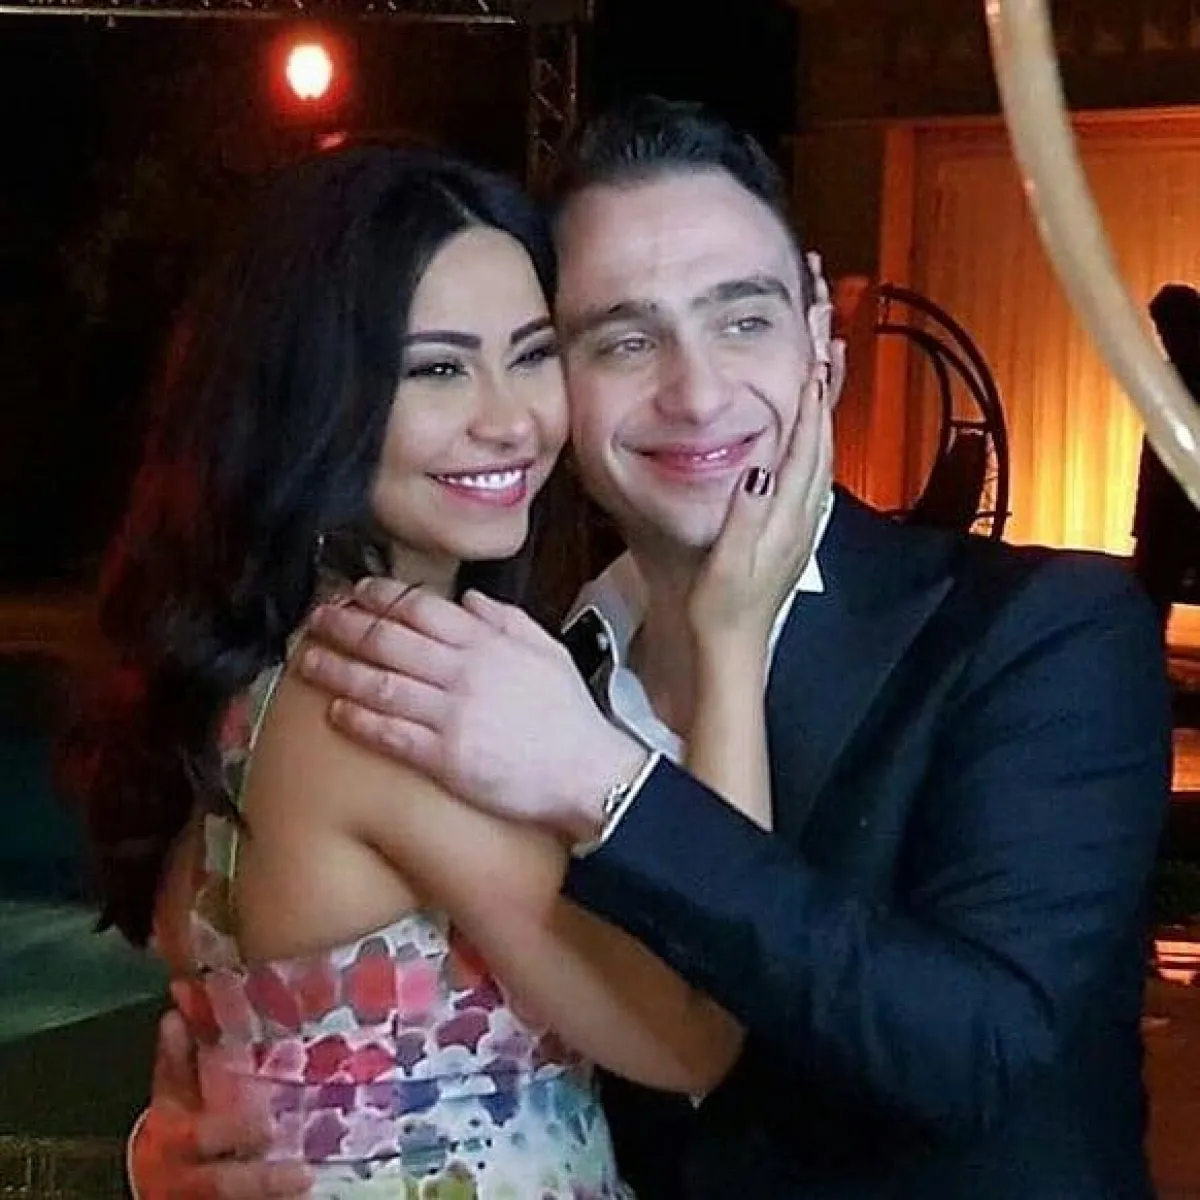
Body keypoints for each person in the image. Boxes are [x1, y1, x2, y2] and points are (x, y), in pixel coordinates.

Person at [132, 98, 1171, 1198]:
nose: (698, 393)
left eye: (743, 321)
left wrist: (613, 786)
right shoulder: (485, 680)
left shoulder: (1041, 630)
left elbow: (977, 1054)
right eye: (622, 340)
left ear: (822, 338)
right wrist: (209, 1141)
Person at [67, 141, 833, 1198]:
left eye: (531, 354)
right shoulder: (380, 686)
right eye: (437, 368)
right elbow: (697, 1025)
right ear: (314, 394)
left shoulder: (290, 668)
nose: (509, 419)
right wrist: (731, 639)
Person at [1132, 282, 1200, 633]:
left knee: (1152, 593)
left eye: (1169, 329)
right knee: (1151, 596)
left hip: (1177, 513)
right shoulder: (1170, 376)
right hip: (1167, 514)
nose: (1165, 338)